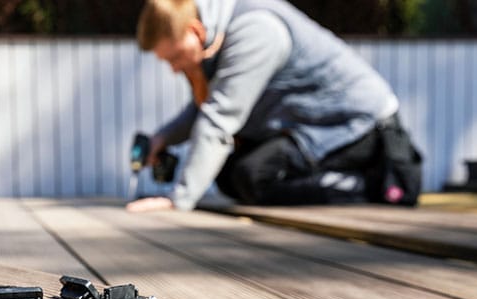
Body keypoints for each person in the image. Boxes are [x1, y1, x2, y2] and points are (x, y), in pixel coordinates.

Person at [127, 0, 423, 213]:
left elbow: (220, 118)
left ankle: (372, 184)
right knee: (229, 175)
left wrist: (178, 200)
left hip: (356, 124)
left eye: (175, 57)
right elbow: (204, 109)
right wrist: (161, 139)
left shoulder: (254, 30)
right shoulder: (218, 33)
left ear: (195, 31)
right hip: (309, 125)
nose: (175, 69)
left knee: (251, 176)